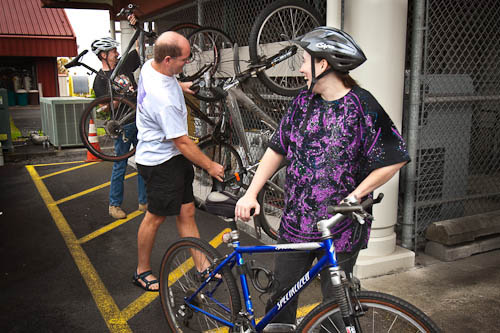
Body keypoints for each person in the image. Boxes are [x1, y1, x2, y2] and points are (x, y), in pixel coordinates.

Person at [235, 27, 411, 326]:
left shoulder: (362, 105)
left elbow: (394, 159)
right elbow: (277, 149)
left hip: (340, 227)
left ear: (323, 64)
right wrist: (251, 192)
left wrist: (355, 196)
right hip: (296, 224)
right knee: (281, 298)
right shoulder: (303, 103)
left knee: (336, 304)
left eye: (305, 61)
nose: (301, 69)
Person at [133, 31, 225, 291]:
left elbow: (166, 82)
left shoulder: (150, 67)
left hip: (171, 158)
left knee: (186, 211)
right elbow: (183, 142)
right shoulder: (165, 102)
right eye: (185, 59)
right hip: (160, 162)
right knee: (155, 217)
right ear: (168, 59)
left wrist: (181, 86)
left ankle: (202, 266)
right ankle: (141, 271)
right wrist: (210, 166)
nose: (188, 63)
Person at [91, 20, 147, 220]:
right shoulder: (100, 79)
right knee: (120, 166)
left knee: (144, 162)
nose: (116, 52)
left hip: (139, 121)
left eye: (115, 49)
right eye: (112, 50)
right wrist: (114, 101)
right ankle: (114, 206)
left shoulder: (123, 64)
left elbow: (140, 49)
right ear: (103, 55)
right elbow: (102, 108)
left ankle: (144, 201)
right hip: (123, 126)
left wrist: (136, 27)